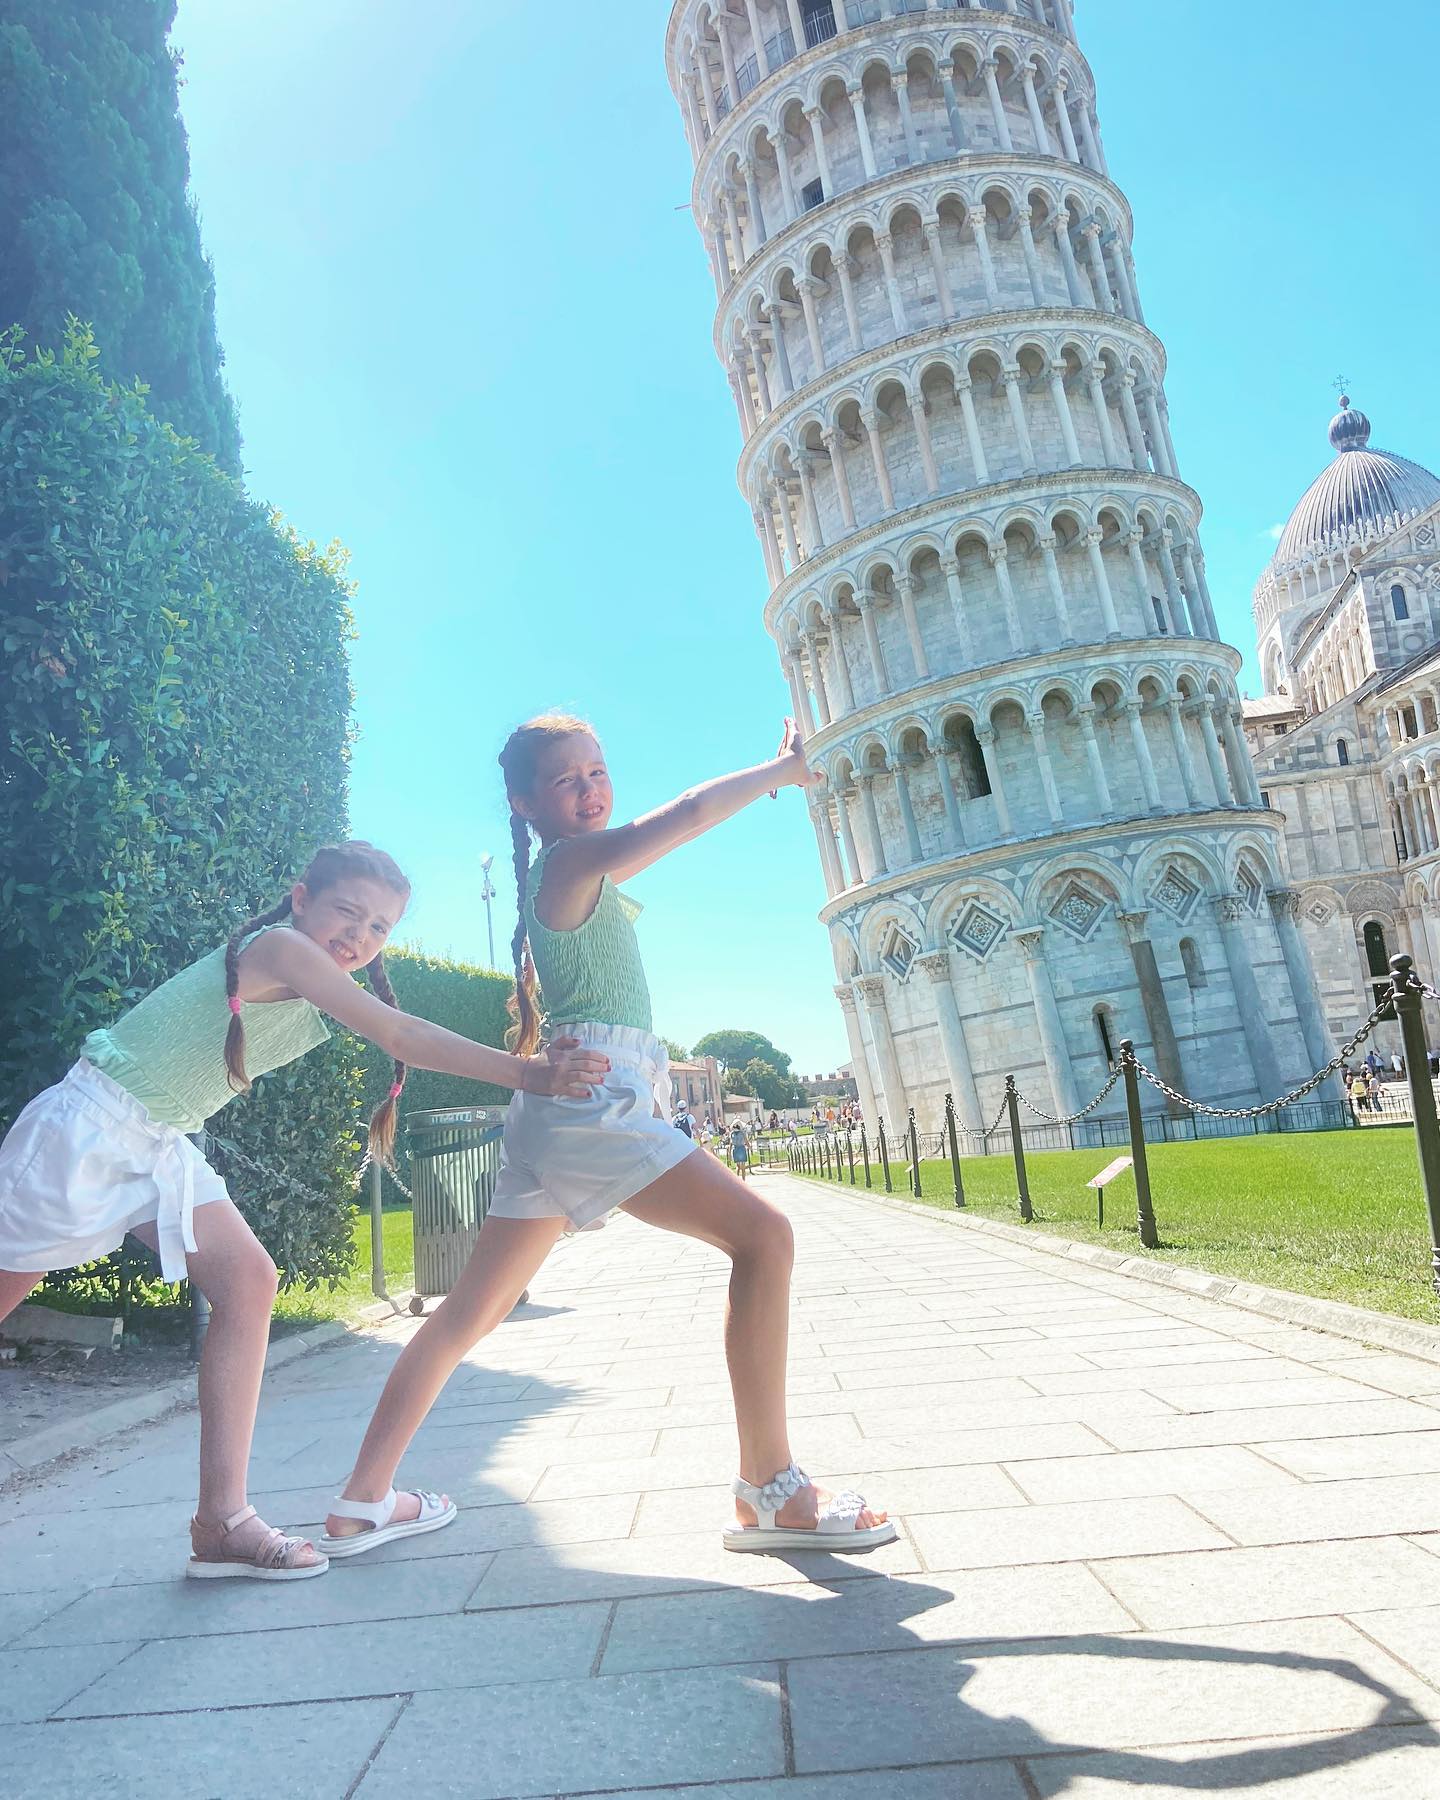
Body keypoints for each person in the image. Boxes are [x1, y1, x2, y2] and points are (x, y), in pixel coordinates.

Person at [320, 716, 893, 1558]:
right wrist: (781, 770)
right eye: (566, 780)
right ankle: (772, 1490)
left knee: (467, 1315)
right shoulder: (569, 860)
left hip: (577, 1103)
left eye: (598, 771)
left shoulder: (574, 873)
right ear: (525, 803)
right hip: (595, 1099)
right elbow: (690, 814)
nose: (590, 788)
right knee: (764, 1238)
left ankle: (360, 1502)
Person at [0, 841, 607, 1582]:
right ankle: (222, 1521)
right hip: (88, 1131)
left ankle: (221, 1522)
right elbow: (400, 1034)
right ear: (300, 899)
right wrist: (530, 1075)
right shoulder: (284, 948)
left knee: (249, 1281)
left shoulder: (305, 964)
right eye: (346, 912)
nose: (358, 936)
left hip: (158, 1143)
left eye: (379, 928)